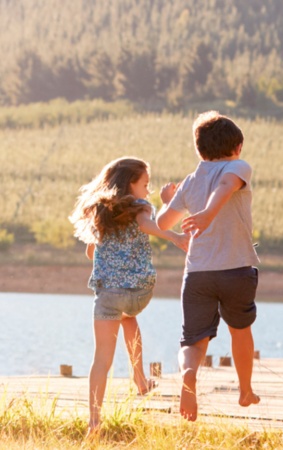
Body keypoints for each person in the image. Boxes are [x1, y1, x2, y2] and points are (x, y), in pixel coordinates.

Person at [70, 157, 189, 436]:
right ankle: (141, 381)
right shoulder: (141, 207)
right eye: (145, 185)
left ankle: (94, 422)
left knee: (101, 359)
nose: (148, 191)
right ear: (130, 183)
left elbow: (91, 252)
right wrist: (175, 237)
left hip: (107, 294)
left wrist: (108, 254)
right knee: (129, 318)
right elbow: (148, 225)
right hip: (137, 292)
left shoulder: (101, 212)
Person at [156, 111, 261, 422]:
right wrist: (208, 213)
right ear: (238, 146)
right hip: (237, 269)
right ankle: (245, 390)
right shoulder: (238, 166)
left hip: (198, 273)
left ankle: (189, 375)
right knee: (240, 331)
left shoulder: (190, 180)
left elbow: (163, 223)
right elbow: (227, 185)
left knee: (192, 338)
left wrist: (168, 200)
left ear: (198, 149)